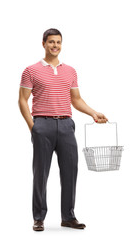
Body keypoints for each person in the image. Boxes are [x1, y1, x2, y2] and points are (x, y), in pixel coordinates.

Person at [18, 28, 108, 231]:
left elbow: (76, 100)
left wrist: (94, 113)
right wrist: (33, 127)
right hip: (43, 124)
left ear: (61, 44)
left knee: (71, 171)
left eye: (58, 42)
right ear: (43, 44)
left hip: (66, 125)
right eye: (51, 42)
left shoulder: (70, 71)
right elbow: (22, 100)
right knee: (40, 173)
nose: (55, 46)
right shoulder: (31, 70)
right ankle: (39, 217)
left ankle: (68, 216)